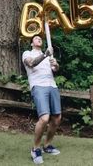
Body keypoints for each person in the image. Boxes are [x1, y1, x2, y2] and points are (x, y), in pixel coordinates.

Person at [22, 35, 61, 164]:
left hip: (52, 86)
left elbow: (55, 70)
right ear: (32, 43)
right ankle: (35, 148)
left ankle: (47, 145)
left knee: (57, 118)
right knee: (44, 118)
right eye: (36, 38)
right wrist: (45, 55)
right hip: (38, 86)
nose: (39, 39)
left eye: (40, 38)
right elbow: (31, 63)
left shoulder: (48, 55)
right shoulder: (27, 53)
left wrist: (55, 65)